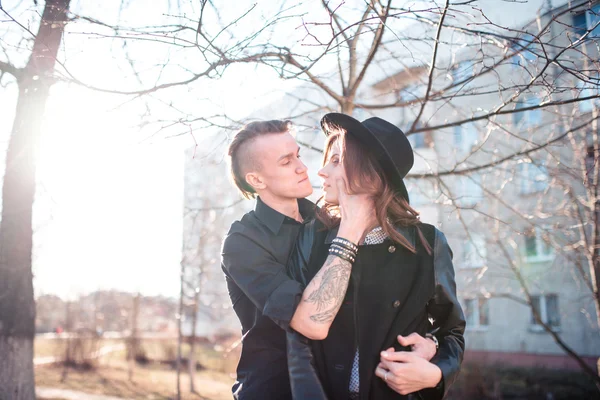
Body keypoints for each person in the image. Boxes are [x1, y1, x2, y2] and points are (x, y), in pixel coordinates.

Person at [221, 120, 439, 400]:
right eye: (286, 162)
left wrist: (431, 343)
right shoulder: (243, 242)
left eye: (298, 155)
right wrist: (351, 228)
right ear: (257, 180)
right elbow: (310, 323)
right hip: (274, 391)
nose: (303, 167)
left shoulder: (328, 223)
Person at [285, 113, 466, 400]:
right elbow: (296, 334)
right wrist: (350, 230)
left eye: (335, 161)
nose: (321, 172)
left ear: (369, 172)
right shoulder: (312, 236)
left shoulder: (428, 243)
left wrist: (436, 374)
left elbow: (452, 330)